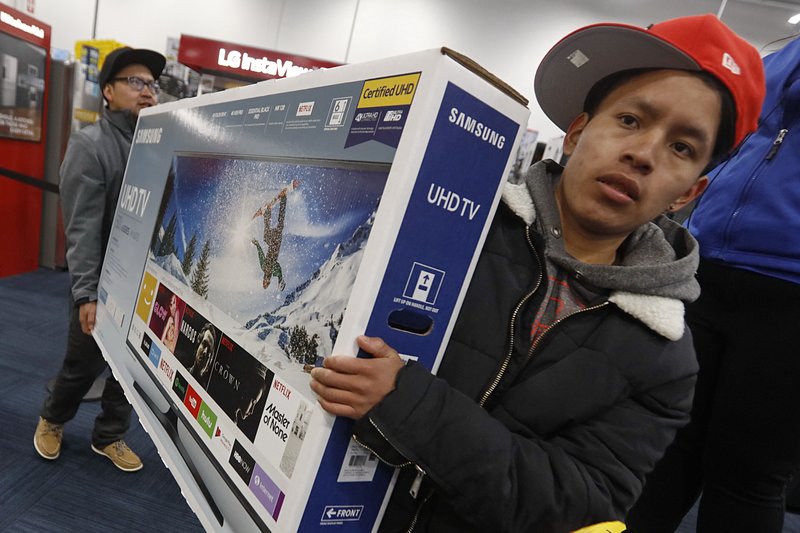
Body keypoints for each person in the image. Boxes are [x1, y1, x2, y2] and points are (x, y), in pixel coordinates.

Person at [309, 14, 765, 532]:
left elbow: (581, 504)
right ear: (577, 132)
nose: (643, 154)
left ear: (688, 192)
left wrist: (411, 406)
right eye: (630, 120)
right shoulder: (452, 225)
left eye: (682, 147)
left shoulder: (665, 357)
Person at [626, 34, 800, 533]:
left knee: (747, 473)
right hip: (710, 267)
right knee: (667, 445)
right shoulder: (777, 57)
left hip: (791, 290)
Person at [34, 47, 166, 472]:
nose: (146, 91)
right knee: (82, 364)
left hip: (144, 285)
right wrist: (86, 293)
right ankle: (53, 419)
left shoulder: (160, 145)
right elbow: (82, 228)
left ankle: (108, 436)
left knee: (128, 370)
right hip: (102, 284)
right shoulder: (90, 146)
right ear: (107, 91)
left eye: (151, 85)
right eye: (135, 82)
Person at [251, 179, 300, 291]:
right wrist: (280, 280)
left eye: (264, 281)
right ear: (269, 281)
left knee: (265, 236)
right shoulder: (274, 271)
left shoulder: (263, 267)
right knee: (280, 223)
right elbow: (279, 270)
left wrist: (257, 244)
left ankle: (266, 212)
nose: (266, 280)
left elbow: (261, 255)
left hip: (270, 242)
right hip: (276, 242)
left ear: (263, 279)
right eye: (267, 282)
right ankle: (283, 198)